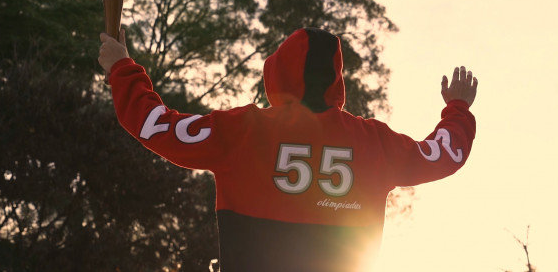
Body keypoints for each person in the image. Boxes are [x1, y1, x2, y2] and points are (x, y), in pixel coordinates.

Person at [98, 27, 477, 272]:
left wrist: (122, 67)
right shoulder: (372, 141)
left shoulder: (243, 130)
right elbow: (443, 154)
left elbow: (154, 124)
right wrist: (457, 109)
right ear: (336, 79)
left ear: (276, 73)